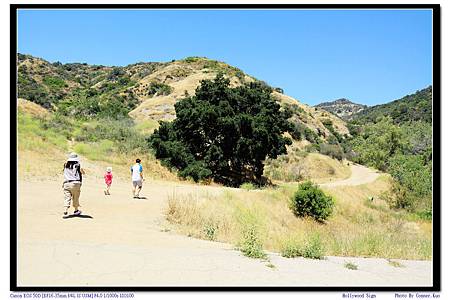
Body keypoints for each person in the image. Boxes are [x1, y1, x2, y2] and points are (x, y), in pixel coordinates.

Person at [62, 152, 85, 218]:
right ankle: (76, 210)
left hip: (66, 183)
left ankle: (65, 211)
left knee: (67, 197)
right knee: (75, 197)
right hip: (75, 183)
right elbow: (82, 172)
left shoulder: (65, 165)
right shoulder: (78, 165)